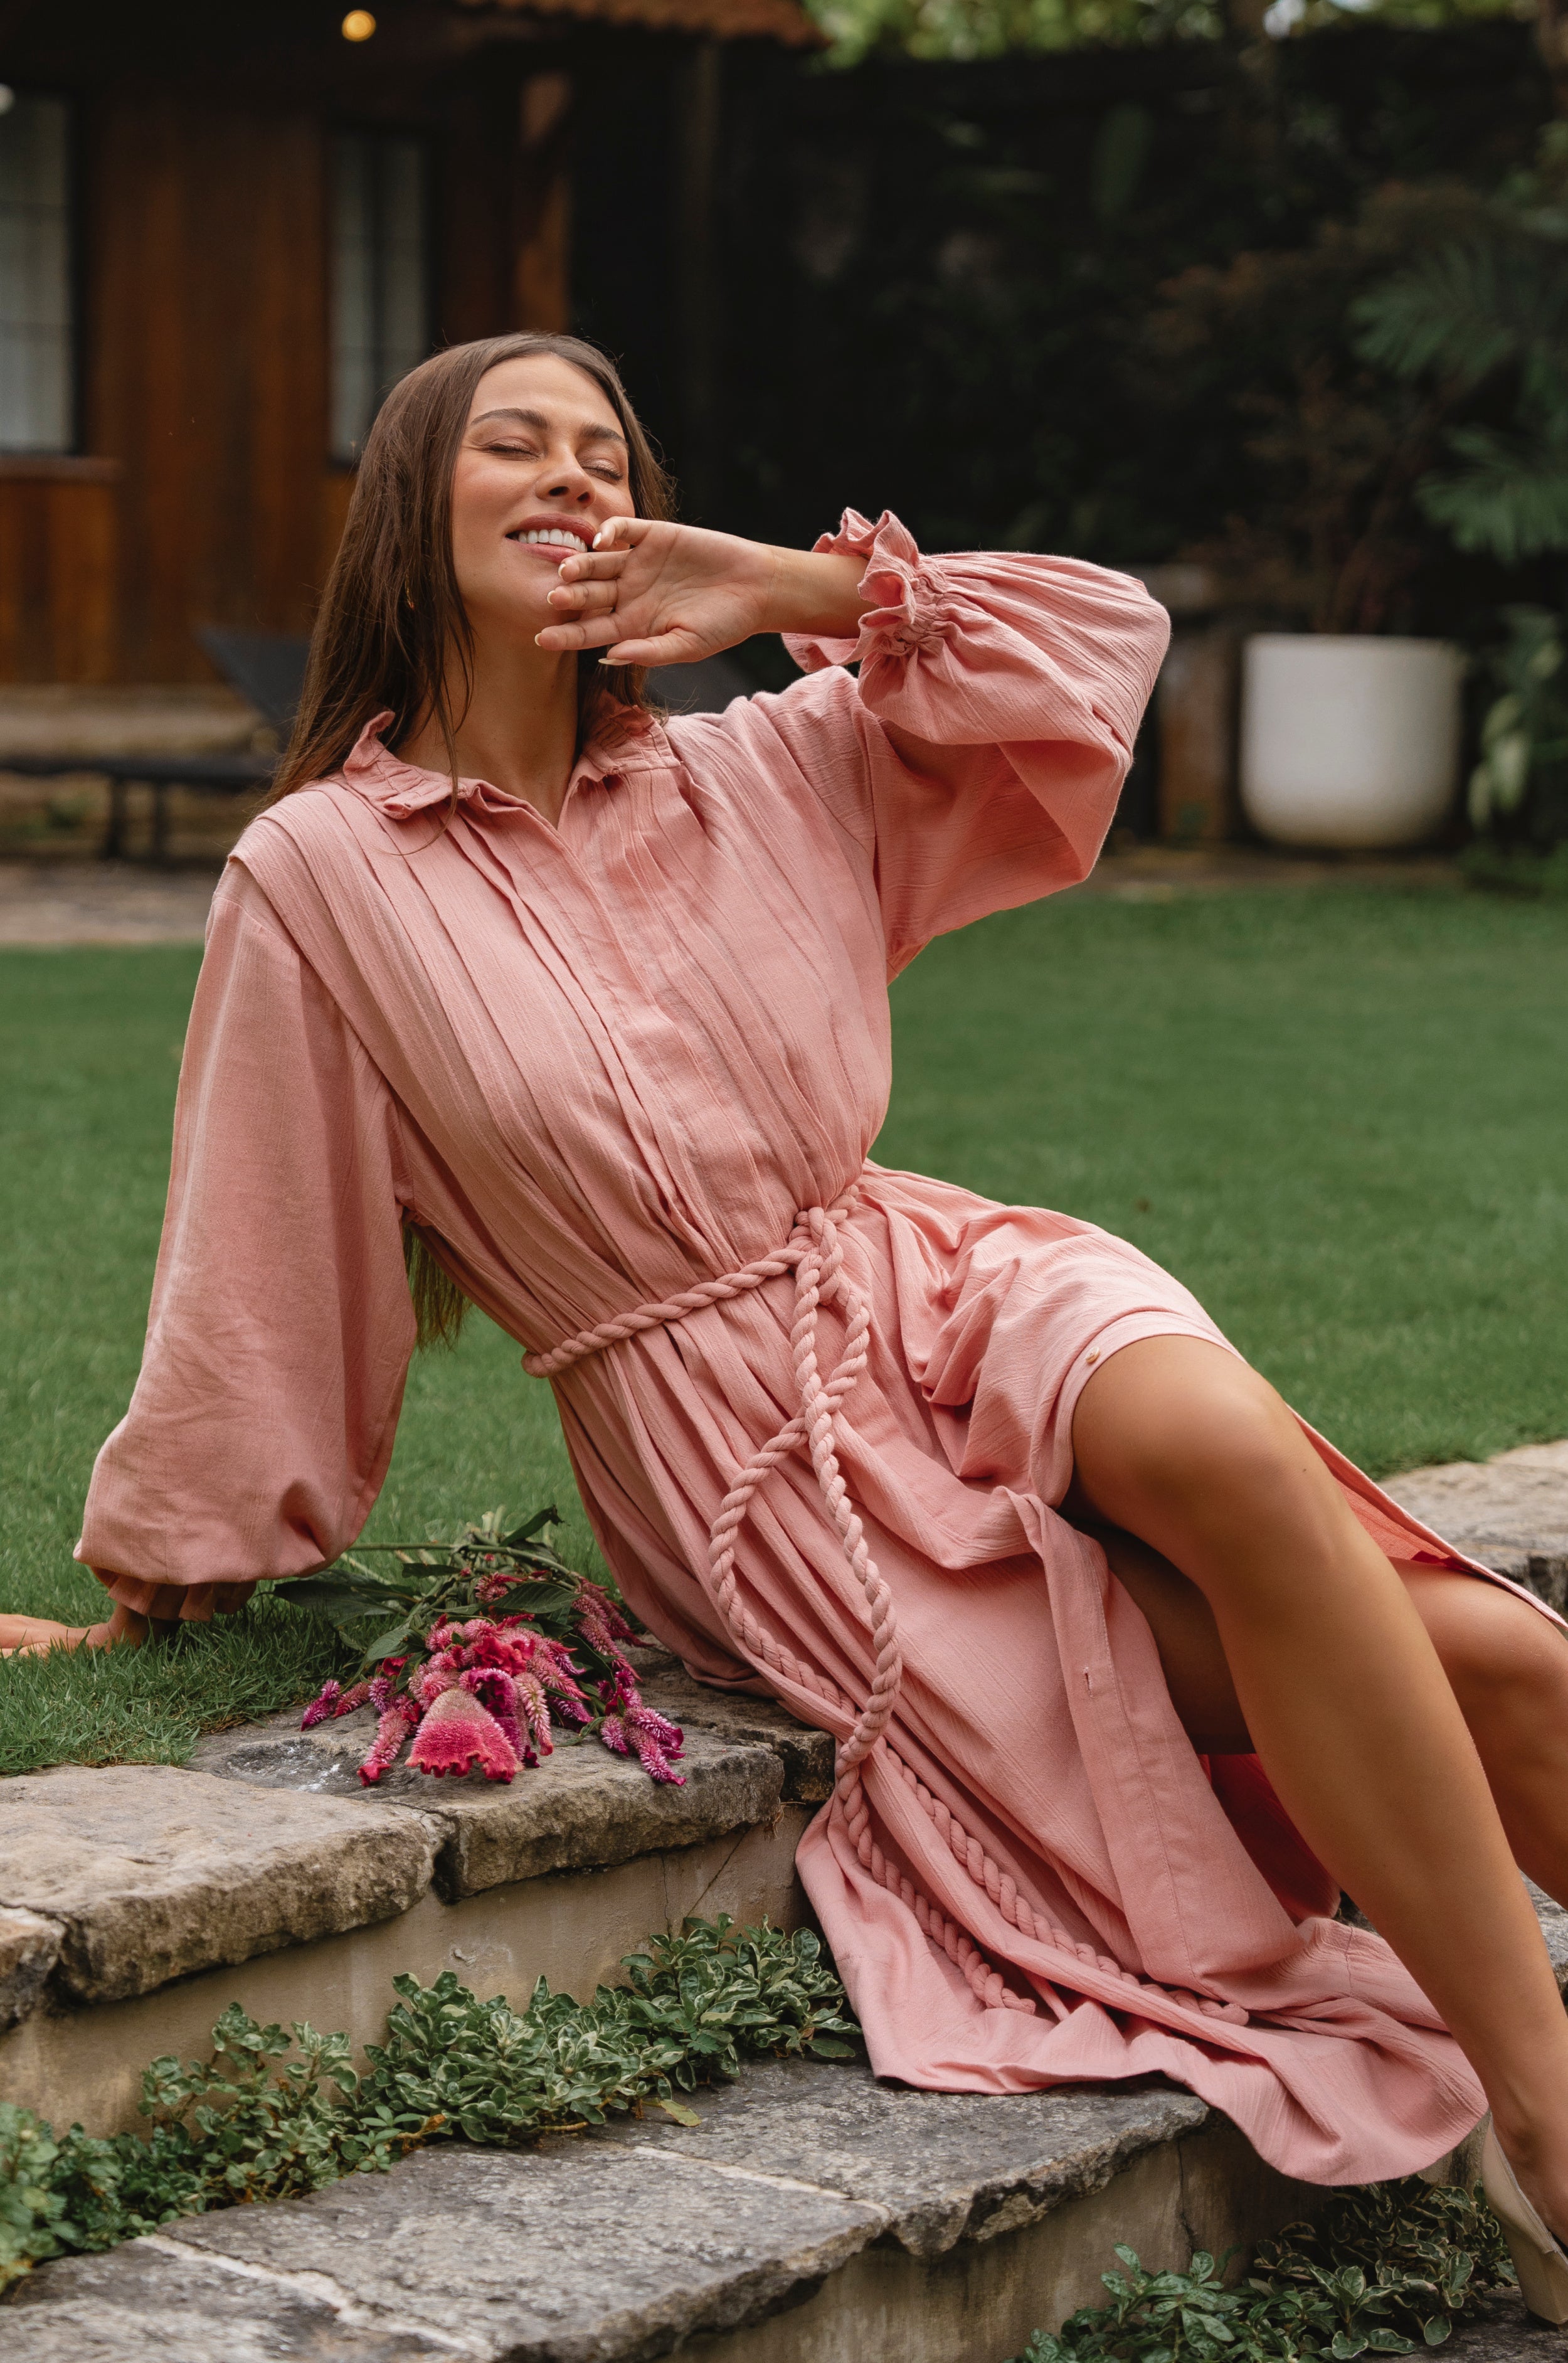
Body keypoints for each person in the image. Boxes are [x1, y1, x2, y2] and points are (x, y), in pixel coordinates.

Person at [12, 331, 1568, 2303]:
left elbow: (1098, 646)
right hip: (745, 1447)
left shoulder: (777, 759)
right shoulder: (320, 875)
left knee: (1229, 1448)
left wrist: (790, 591)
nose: (570, 474)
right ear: (413, 502)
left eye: (604, 449)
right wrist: (167, 1570)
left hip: (939, 1279)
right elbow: (260, 1261)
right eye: (515, 443)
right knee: (1483, 1667)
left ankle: (1545, 2126)